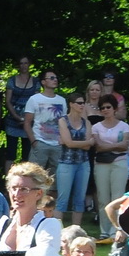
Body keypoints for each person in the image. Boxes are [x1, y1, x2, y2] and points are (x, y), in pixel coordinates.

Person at [89, 96, 129, 240]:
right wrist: (115, 147)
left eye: (108, 107)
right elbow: (98, 147)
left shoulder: (124, 126)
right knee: (102, 198)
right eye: (102, 108)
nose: (105, 110)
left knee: (118, 197)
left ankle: (116, 230)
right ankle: (104, 231)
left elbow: (125, 145)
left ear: (115, 109)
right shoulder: (96, 127)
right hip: (101, 164)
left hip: (120, 163)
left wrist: (108, 147)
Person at [55, 94, 95, 230]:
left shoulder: (87, 122)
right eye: (79, 102)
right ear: (71, 104)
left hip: (83, 164)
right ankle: (57, 231)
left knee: (80, 199)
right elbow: (69, 143)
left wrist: (75, 143)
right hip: (66, 163)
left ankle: (76, 231)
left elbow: (88, 146)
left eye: (83, 102)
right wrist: (85, 142)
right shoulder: (63, 121)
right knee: (63, 199)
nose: (82, 105)